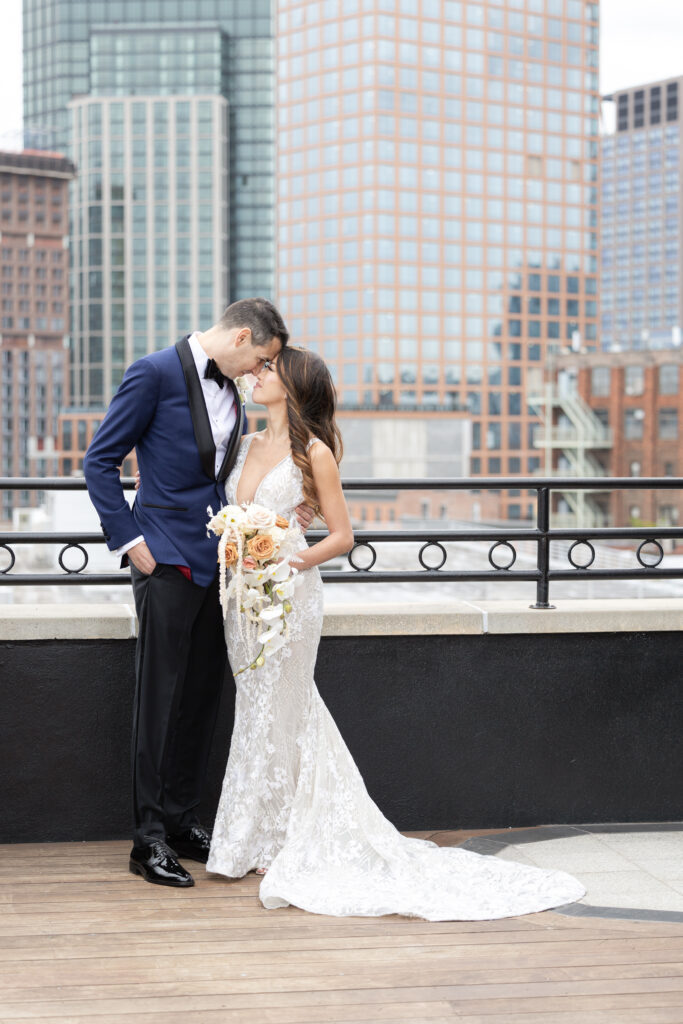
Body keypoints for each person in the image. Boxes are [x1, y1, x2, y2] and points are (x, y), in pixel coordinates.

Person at [206, 347, 586, 920]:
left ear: (293, 385)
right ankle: (257, 832)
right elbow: (235, 509)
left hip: (289, 594)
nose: (255, 377)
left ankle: (280, 838)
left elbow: (342, 537)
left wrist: (292, 563)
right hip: (242, 596)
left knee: (282, 705)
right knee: (257, 705)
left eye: (267, 371)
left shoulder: (315, 452)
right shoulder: (248, 443)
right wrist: (239, 540)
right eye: (257, 369)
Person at [83, 298, 313, 888]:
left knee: (201, 700)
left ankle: (183, 821)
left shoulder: (234, 394)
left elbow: (221, 474)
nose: (259, 372)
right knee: (157, 701)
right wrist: (131, 541)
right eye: (259, 358)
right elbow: (100, 461)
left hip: (221, 567)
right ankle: (149, 839)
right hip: (163, 562)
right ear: (241, 337)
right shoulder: (153, 372)